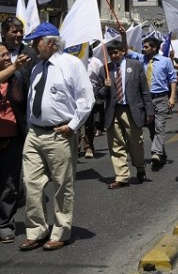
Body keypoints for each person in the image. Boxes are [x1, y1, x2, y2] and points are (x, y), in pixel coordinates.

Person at [19, 23, 94, 251]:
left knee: (62, 185)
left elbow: (86, 99)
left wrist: (72, 126)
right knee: (31, 183)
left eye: (36, 41)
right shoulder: (37, 67)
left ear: (50, 43)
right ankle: (37, 231)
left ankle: (61, 232)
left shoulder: (71, 65)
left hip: (59, 134)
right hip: (34, 133)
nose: (33, 46)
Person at [98, 40, 154, 190]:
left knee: (136, 143)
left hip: (132, 110)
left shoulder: (135, 66)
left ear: (122, 51)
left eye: (116, 53)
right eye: (110, 54)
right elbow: (99, 95)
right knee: (116, 145)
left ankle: (140, 167)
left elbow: (144, 91)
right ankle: (122, 177)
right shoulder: (105, 69)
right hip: (113, 111)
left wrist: (149, 111)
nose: (113, 56)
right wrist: (105, 87)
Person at [123, 31, 177, 169]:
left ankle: (155, 152)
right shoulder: (141, 59)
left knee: (160, 127)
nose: (144, 49)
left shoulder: (166, 61)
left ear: (154, 48)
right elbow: (127, 50)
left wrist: (172, 97)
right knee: (152, 130)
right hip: (146, 100)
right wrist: (123, 36)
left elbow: (172, 80)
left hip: (161, 98)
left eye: (146, 47)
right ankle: (161, 155)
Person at [0, 43, 29, 244]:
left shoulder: (17, 78)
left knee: (9, 184)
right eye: (1, 55)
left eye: (6, 54)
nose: (6, 57)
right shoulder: (13, 70)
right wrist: (14, 67)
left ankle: (5, 224)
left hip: (12, 139)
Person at [81, 46, 104, 159]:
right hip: (75, 96)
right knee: (76, 124)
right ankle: (75, 148)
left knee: (89, 124)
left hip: (90, 96)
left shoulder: (96, 62)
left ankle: (88, 147)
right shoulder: (74, 61)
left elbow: (104, 78)